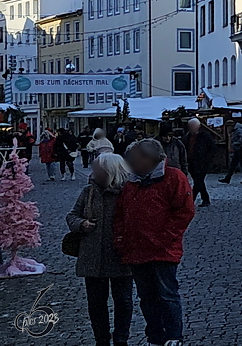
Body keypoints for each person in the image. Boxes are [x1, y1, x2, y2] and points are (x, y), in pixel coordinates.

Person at [116, 138, 194, 346]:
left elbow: (184, 211)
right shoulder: (132, 182)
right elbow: (121, 213)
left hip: (162, 250)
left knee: (167, 294)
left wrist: (164, 238)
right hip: (136, 250)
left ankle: (173, 336)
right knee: (146, 298)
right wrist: (122, 240)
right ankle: (155, 336)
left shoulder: (173, 177)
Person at [68, 152, 136, 346]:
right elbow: (72, 216)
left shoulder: (129, 192)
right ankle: (102, 340)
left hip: (120, 255)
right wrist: (82, 224)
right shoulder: (88, 191)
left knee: (123, 301)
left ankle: (121, 338)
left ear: (109, 170)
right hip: (93, 257)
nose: (93, 171)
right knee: (96, 303)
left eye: (96, 168)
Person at [182, 120, 216, 207]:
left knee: (198, 182)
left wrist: (207, 159)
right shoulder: (187, 137)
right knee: (199, 182)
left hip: (202, 163)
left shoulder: (205, 136)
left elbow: (212, 148)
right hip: (191, 163)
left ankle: (190, 201)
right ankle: (205, 199)